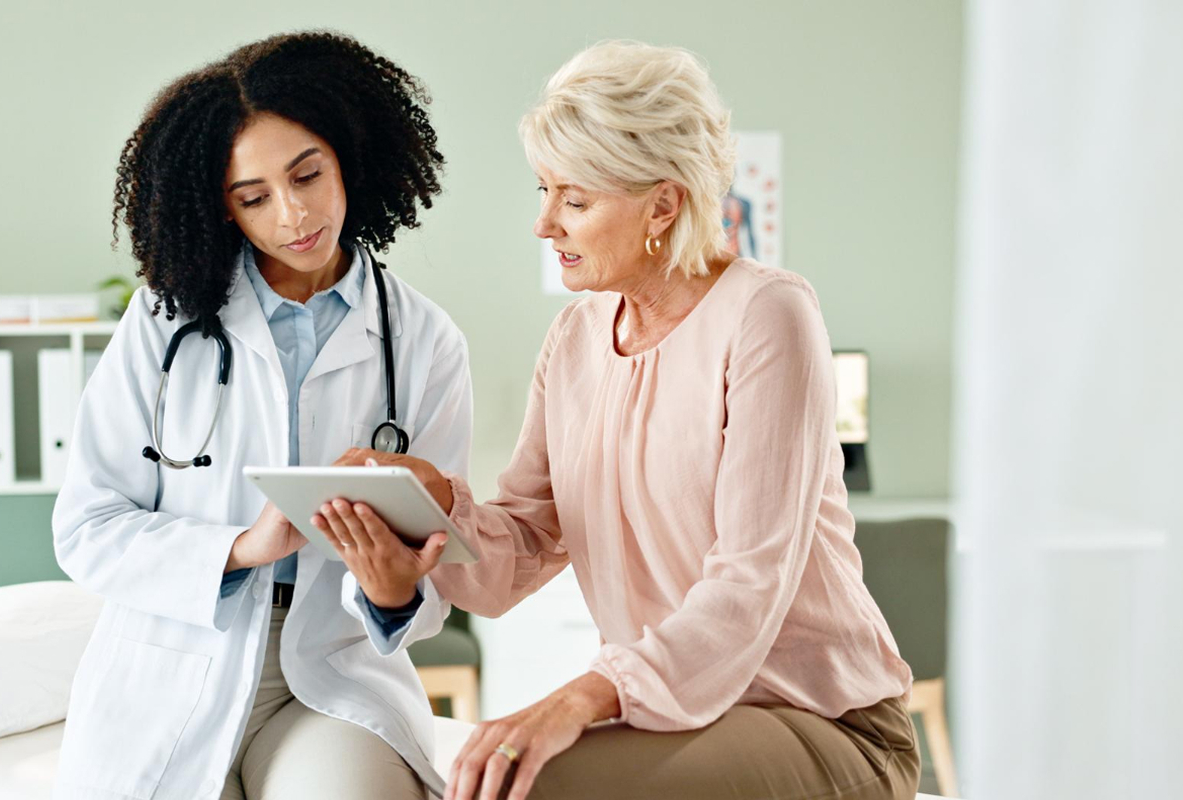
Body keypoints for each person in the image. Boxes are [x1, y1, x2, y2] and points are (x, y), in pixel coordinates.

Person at [315, 40, 919, 800]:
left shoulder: (767, 314)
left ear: (663, 204)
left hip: (821, 719)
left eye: (574, 199)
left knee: (527, 785)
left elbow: (748, 584)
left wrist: (577, 699)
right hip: (684, 720)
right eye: (543, 190)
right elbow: (523, 548)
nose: (544, 224)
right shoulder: (574, 340)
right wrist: (433, 508)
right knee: (486, 777)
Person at [51, 30, 472, 800]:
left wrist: (391, 592)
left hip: (333, 668)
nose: (295, 213)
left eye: (308, 174)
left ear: (348, 156)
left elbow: (441, 555)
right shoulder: (162, 324)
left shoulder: (425, 341)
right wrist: (242, 547)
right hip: (177, 662)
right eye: (254, 197)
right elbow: (86, 528)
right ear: (221, 208)